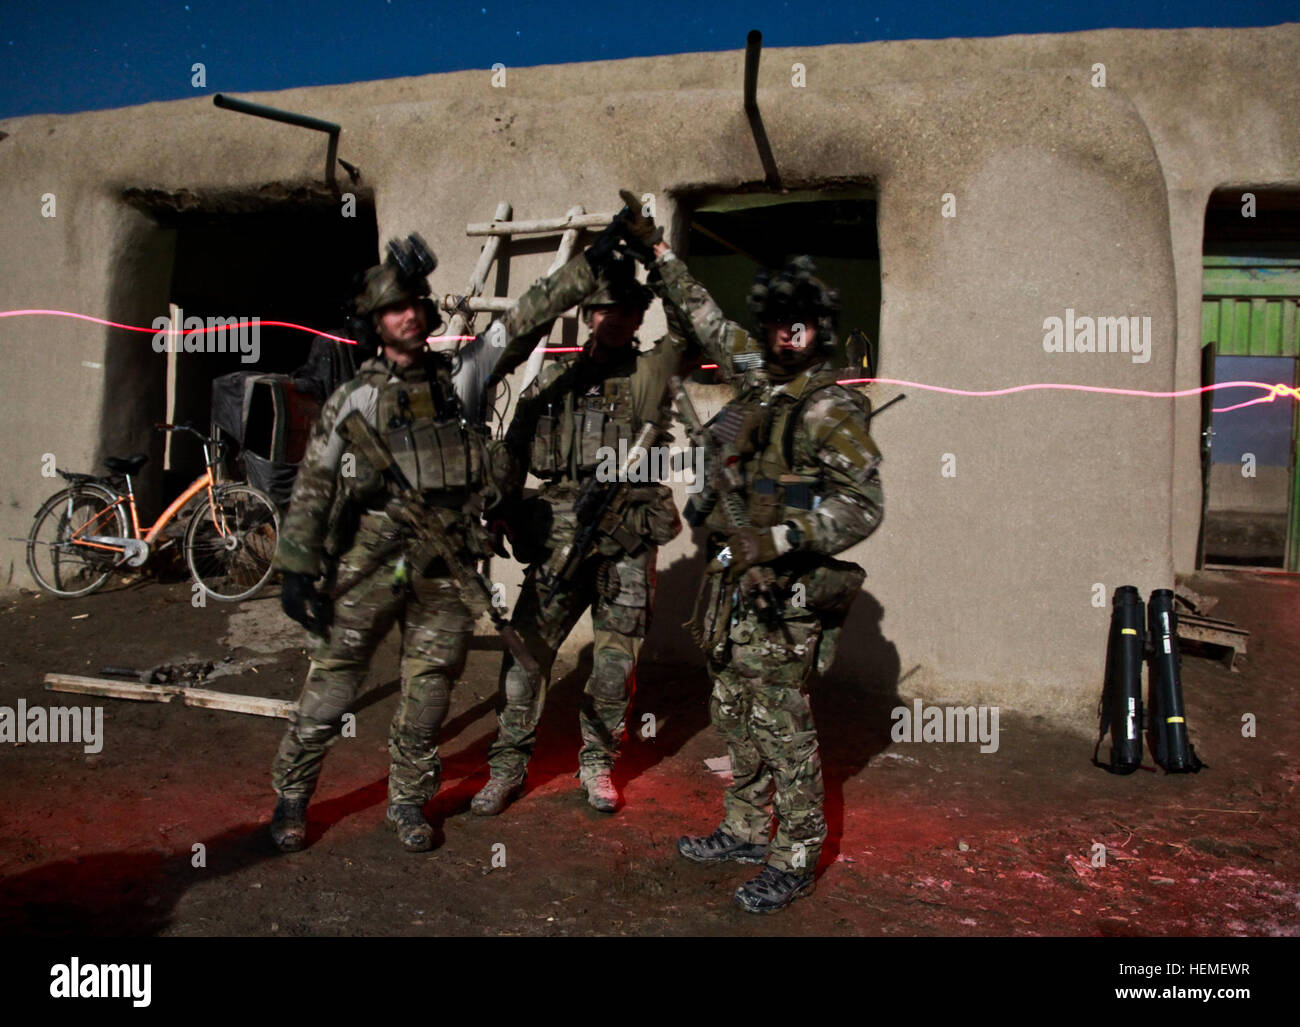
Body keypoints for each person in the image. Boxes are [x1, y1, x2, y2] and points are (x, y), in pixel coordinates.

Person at [653, 251, 885, 913]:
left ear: (820, 330)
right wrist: (667, 262)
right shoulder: (757, 377)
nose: (788, 334)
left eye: (801, 323)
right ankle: (748, 827)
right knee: (733, 711)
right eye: (779, 321)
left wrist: (781, 538)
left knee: (784, 727)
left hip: (788, 593)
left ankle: (797, 853)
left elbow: (863, 504)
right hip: (734, 587)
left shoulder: (830, 406)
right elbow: (707, 319)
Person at [469, 200, 713, 816]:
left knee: (612, 668)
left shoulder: (652, 374)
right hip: (556, 541)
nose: (609, 319)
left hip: (627, 541)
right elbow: (512, 449)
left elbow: (699, 328)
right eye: (600, 308)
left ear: (636, 319)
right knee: (525, 658)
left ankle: (598, 764)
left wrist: (659, 258)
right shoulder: (551, 386)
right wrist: (497, 505)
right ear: (585, 315)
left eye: (622, 310)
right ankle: (506, 765)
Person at [268, 237, 502, 853]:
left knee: (429, 690)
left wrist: (592, 265)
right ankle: (292, 796)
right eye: (392, 309)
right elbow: (314, 485)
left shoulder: (461, 380)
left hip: (442, 564)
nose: (407, 316)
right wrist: (295, 570)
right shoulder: (356, 398)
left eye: (414, 306)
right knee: (333, 685)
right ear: (375, 324)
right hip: (372, 561)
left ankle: (407, 800)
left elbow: (523, 325)